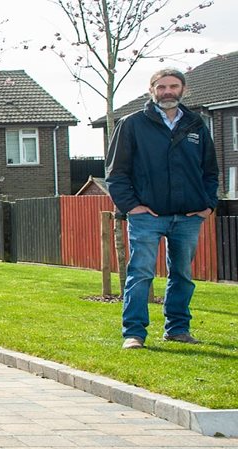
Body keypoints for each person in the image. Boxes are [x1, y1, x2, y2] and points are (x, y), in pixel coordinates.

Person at [106, 68, 219, 350]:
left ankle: (178, 329)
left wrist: (208, 204)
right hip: (147, 217)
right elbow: (116, 173)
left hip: (188, 216)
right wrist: (132, 207)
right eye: (162, 86)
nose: (168, 91)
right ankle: (134, 333)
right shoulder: (132, 124)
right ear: (152, 90)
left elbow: (210, 171)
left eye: (174, 86)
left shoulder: (196, 125)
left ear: (183, 90)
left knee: (182, 274)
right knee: (140, 273)